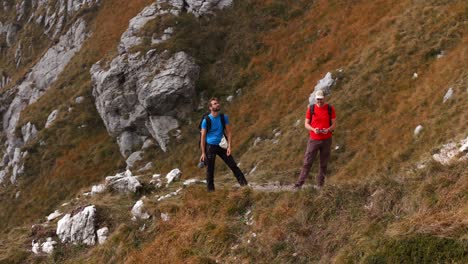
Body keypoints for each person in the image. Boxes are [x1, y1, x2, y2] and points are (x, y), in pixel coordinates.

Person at [200, 98, 248, 192]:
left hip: (222, 145)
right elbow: (203, 137)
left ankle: (245, 186)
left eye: (217, 103)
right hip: (210, 146)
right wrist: (203, 152)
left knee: (233, 165)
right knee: (210, 170)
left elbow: (229, 132)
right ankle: (211, 192)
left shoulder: (223, 117)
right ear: (210, 107)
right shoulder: (206, 120)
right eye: (214, 104)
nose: (217, 104)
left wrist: (229, 146)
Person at [295, 90, 336, 189]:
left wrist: (328, 129)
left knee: (323, 164)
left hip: (326, 140)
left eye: (321, 99)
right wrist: (314, 129)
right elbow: (306, 124)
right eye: (318, 99)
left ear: (324, 98)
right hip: (314, 139)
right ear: (315, 99)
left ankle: (320, 185)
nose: (319, 101)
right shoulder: (311, 109)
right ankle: (299, 184)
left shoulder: (330, 109)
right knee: (307, 162)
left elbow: (334, 124)